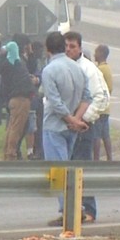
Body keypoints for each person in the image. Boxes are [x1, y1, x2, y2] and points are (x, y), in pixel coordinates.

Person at [40, 32, 89, 227]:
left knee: (59, 171)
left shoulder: (50, 70)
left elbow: (55, 102)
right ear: (64, 46)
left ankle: (71, 210)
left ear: (47, 48)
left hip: (54, 125)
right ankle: (74, 208)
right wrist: (76, 120)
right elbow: (87, 96)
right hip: (71, 128)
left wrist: (70, 119)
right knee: (67, 167)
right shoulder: (77, 68)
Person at [64, 32, 109, 224]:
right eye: (66, 46)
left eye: (72, 46)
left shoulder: (89, 69)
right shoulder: (61, 67)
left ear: (80, 48)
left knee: (82, 169)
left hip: (84, 128)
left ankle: (89, 210)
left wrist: (83, 119)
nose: (68, 49)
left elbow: (102, 97)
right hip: (65, 128)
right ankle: (71, 211)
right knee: (67, 172)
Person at [0, 42, 36, 160]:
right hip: (21, 99)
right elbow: (25, 81)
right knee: (17, 128)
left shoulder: (5, 65)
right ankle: (11, 152)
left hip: (13, 99)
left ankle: (7, 151)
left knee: (11, 126)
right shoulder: (16, 65)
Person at [93, 45, 113, 161]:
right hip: (106, 108)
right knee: (105, 135)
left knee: (96, 136)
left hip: (99, 109)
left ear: (101, 53)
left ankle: (96, 159)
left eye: (96, 52)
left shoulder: (100, 70)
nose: (94, 54)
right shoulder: (107, 68)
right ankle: (109, 158)